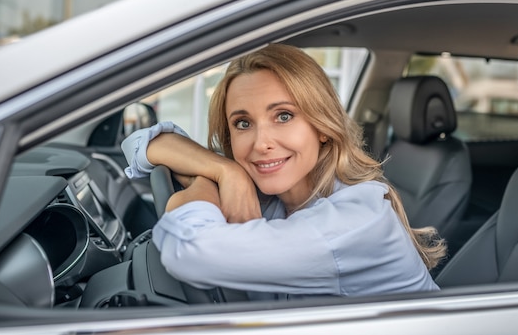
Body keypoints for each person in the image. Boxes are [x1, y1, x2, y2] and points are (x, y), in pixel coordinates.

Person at [122, 43, 446, 299]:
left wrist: (204, 184)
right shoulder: (273, 189)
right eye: (243, 123)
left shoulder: (354, 223)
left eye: (283, 116)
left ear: (322, 126)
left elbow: (188, 252)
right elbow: (141, 144)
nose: (262, 143)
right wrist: (223, 170)